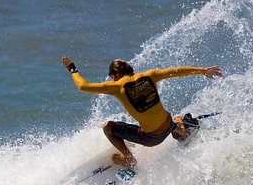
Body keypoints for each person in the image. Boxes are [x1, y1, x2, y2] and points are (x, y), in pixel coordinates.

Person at [61, 57, 222, 166]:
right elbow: (177, 71)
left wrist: (73, 69)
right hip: (168, 124)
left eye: (112, 77)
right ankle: (180, 129)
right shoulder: (150, 75)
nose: (112, 80)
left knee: (107, 127)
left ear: (117, 74)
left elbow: (84, 86)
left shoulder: (117, 86)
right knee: (176, 117)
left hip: (152, 139)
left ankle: (129, 158)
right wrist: (202, 70)